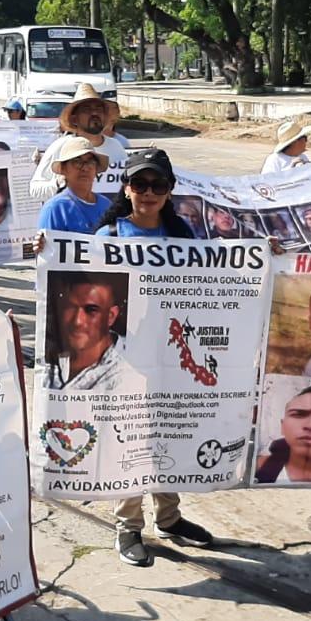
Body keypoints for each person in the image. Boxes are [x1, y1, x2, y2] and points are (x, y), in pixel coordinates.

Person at [90, 149, 214, 567]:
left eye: (157, 185)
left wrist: (265, 255)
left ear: (169, 190)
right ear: (126, 188)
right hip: (124, 361)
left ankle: (169, 517)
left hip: (174, 359)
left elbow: (216, 288)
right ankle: (128, 527)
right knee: (132, 441)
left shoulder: (183, 238)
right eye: (139, 184)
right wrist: (44, 252)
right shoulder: (108, 238)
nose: (148, 192)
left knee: (170, 435)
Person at [43, 273, 139, 391]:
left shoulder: (130, 368)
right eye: (70, 307)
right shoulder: (52, 354)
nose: (78, 321)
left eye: (91, 310)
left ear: (111, 316)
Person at [29, 85, 125, 195]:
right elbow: (35, 189)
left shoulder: (116, 146)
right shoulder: (60, 146)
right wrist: (59, 183)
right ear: (74, 119)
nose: (94, 113)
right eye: (87, 110)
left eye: (99, 109)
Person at [35, 136, 111, 234]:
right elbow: (49, 248)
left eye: (90, 162)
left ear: (96, 168)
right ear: (63, 169)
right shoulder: (55, 208)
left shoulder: (106, 205)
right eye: (77, 162)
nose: (84, 168)